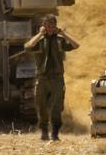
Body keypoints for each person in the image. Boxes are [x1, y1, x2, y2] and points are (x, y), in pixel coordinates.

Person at [24, 13, 80, 141]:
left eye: (53, 26)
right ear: (44, 26)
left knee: (56, 108)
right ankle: (44, 132)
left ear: (55, 26)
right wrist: (39, 34)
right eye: (48, 26)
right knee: (41, 106)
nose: (50, 28)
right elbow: (28, 46)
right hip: (42, 79)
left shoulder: (60, 40)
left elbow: (76, 45)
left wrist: (64, 34)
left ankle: (55, 133)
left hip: (57, 79)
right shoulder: (39, 41)